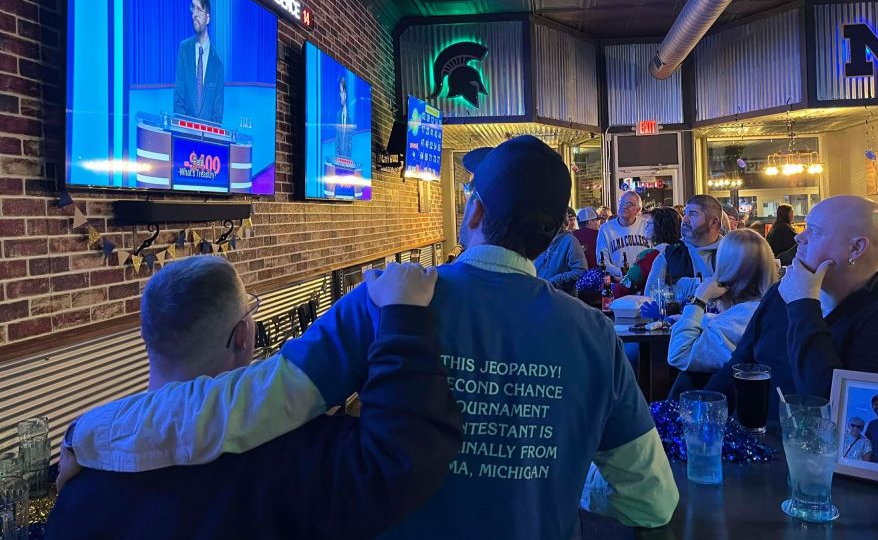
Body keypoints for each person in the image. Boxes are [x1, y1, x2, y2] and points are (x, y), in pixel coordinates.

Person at [57, 135, 679, 538]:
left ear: (474, 212)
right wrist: (558, 477)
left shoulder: (388, 298)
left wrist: (92, 432)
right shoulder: (596, 337)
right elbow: (652, 502)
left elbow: (237, 410)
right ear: (553, 237)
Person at [49, 257, 462, 539]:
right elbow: (401, 460)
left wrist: (80, 432)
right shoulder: (304, 457)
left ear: (147, 337)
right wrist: (404, 316)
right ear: (244, 335)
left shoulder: (80, 476)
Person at [704, 195, 878, 420]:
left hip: (813, 448)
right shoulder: (782, 293)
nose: (799, 237)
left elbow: (837, 416)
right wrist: (698, 418)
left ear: (856, 248)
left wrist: (804, 305)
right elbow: (735, 371)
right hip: (751, 442)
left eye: (814, 231)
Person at [667, 229, 777, 374]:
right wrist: (697, 319)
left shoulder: (738, 320)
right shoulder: (767, 309)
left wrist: (699, 300)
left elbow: (679, 355)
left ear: (725, 269)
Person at [647, 195, 724, 294]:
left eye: (693, 214)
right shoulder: (669, 254)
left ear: (713, 222)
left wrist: (684, 287)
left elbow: (739, 292)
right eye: (685, 213)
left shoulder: (732, 252)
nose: (685, 219)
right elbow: (651, 295)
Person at [173, 0, 225, 124]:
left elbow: (217, 115)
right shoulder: (184, 49)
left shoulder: (218, 64)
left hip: (207, 137)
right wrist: (186, 131)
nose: (194, 14)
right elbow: (178, 100)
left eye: (199, 9)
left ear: (208, 18)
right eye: (193, 7)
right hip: (184, 133)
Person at [622, 207, 681, 296]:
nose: (645, 227)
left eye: (649, 224)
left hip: (652, 301)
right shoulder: (682, 250)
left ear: (659, 227)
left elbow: (625, 285)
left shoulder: (651, 255)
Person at [596, 191, 649, 280]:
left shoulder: (646, 225)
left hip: (645, 278)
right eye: (621, 203)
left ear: (638, 209)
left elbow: (655, 253)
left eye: (629, 204)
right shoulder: (605, 229)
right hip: (619, 280)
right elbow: (602, 260)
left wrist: (641, 273)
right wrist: (622, 272)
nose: (624, 207)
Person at [534, 207, 587, 296]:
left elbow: (580, 270)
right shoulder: (539, 240)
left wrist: (556, 280)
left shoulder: (570, 241)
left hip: (561, 297)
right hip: (538, 294)